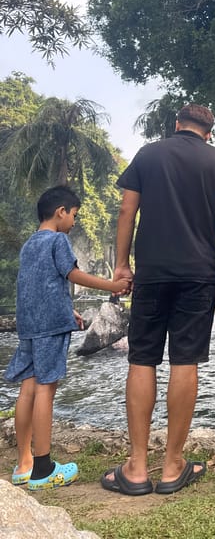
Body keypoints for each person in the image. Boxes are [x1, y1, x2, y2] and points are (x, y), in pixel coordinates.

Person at [102, 104, 215, 496]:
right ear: (209, 133)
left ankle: (136, 467)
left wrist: (122, 265)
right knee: (185, 361)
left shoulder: (148, 154)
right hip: (198, 275)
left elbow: (127, 210)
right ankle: (172, 465)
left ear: (177, 125)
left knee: (142, 359)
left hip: (151, 272)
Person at [5, 185, 130, 491]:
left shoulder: (30, 244)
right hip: (49, 327)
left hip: (30, 325)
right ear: (60, 212)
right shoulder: (58, 240)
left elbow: (36, 285)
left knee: (28, 389)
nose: (74, 222)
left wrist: (67, 309)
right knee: (46, 389)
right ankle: (43, 469)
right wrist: (112, 286)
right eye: (74, 215)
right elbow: (72, 275)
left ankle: (24, 464)